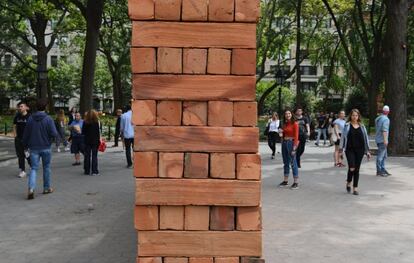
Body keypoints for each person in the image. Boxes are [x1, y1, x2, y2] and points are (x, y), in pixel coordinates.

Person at [22, 99, 58, 200]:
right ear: (45, 107)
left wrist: (24, 145)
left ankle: (31, 189)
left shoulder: (30, 119)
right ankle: (46, 188)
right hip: (46, 147)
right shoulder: (48, 119)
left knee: (33, 168)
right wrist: (50, 139)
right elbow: (54, 134)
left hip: (33, 148)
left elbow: (26, 134)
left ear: (36, 107)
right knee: (46, 167)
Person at [339, 109, 371, 195]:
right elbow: (342, 138)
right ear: (350, 116)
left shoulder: (362, 126)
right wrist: (340, 150)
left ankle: (355, 188)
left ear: (358, 116)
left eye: (356, 115)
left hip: (360, 150)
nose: (354, 117)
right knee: (352, 167)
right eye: (353, 115)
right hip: (349, 149)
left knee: (357, 169)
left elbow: (366, 139)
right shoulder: (347, 125)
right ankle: (349, 181)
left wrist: (367, 151)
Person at [278, 109, 300, 190]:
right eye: (286, 114)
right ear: (284, 115)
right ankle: (285, 181)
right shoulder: (285, 124)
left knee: (293, 162)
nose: (288, 115)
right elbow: (282, 135)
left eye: (289, 113)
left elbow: (297, 136)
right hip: (284, 143)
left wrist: (294, 148)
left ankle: (296, 182)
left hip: (291, 143)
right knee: (285, 162)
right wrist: (280, 132)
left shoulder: (295, 124)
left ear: (292, 114)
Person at [13, 102, 31, 178]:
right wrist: (15, 136)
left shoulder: (30, 117)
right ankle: (22, 171)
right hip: (19, 139)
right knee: (20, 156)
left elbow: (33, 128)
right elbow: (14, 126)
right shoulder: (17, 116)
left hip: (27, 140)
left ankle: (32, 166)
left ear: (26, 107)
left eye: (21, 106)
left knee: (28, 155)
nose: (20, 108)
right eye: (19, 106)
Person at [82, 109, 101, 176]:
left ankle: (87, 170)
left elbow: (83, 132)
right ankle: (94, 171)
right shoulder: (96, 122)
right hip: (95, 141)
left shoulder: (85, 122)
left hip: (87, 141)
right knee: (94, 156)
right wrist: (99, 140)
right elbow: (98, 132)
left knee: (87, 156)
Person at [375, 105, 391, 177]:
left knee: (384, 156)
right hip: (382, 140)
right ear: (388, 112)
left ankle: (383, 169)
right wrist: (385, 140)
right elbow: (384, 130)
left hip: (378, 139)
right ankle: (379, 170)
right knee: (381, 156)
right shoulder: (386, 119)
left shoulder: (378, 118)